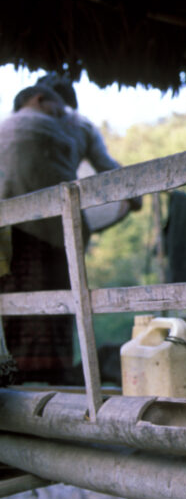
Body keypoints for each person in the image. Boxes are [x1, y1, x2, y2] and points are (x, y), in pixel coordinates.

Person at [0, 85, 78, 384]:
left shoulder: (5, 126)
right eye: (58, 106)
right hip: (43, 233)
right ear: (38, 99)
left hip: (6, 231)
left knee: (12, 305)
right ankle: (49, 375)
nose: (63, 113)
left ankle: (12, 375)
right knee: (52, 306)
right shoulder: (50, 127)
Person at [35, 73, 142, 212]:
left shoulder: (15, 121)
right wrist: (134, 193)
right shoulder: (81, 124)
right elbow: (105, 165)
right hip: (60, 205)